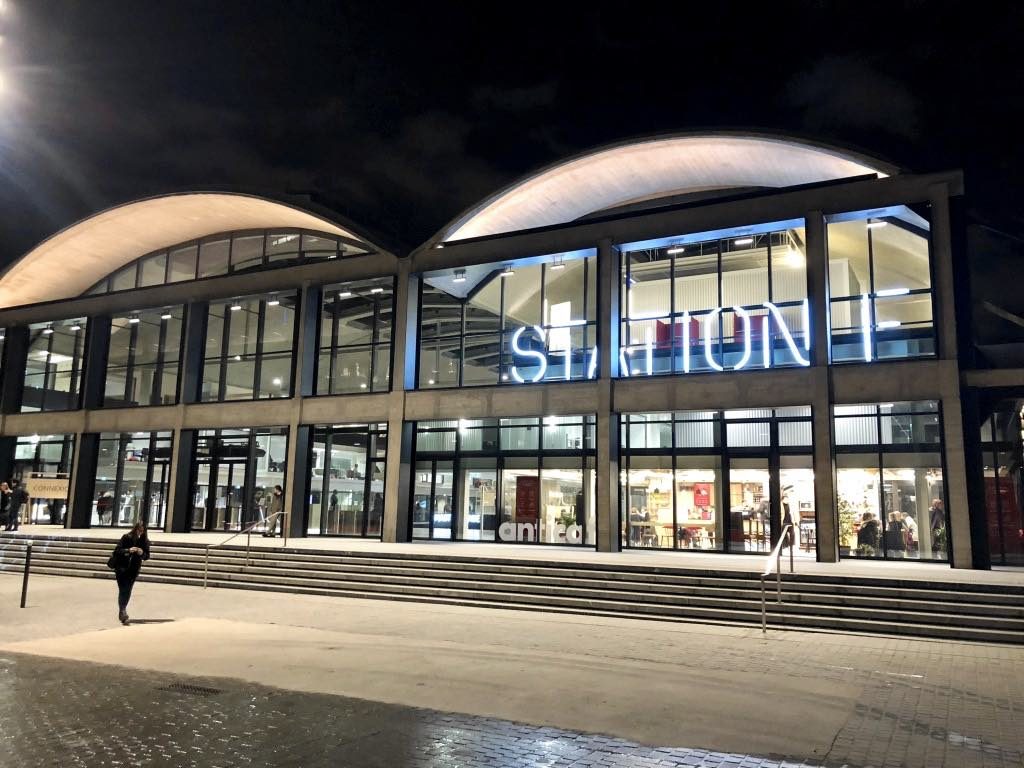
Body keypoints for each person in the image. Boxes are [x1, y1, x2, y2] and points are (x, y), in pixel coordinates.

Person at [112, 521, 150, 625]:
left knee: (127, 590)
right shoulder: (126, 537)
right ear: (135, 529)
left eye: (142, 531)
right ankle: (123, 611)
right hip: (121, 568)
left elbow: (147, 556)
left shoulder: (145, 541)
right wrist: (128, 550)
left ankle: (122, 611)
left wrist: (142, 553)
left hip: (133, 569)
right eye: (139, 530)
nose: (140, 533)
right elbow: (116, 551)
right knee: (123, 589)